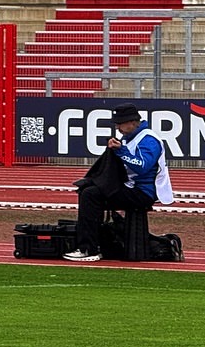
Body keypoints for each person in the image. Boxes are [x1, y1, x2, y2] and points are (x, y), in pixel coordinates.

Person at [64, 102, 174, 262]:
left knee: (90, 195)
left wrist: (120, 151)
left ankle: (88, 249)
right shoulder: (129, 137)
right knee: (88, 190)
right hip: (130, 188)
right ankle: (94, 245)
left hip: (142, 192)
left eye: (120, 123)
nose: (117, 127)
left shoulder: (149, 140)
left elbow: (142, 166)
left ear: (132, 122)